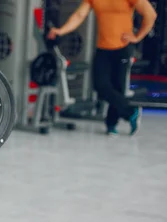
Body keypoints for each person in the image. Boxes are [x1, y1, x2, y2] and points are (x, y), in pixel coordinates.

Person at [47, 0, 157, 136]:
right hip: (103, 49)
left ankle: (111, 124)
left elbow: (150, 14)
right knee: (100, 85)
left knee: (118, 87)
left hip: (123, 48)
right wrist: (61, 31)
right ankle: (131, 111)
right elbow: (79, 15)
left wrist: (138, 37)